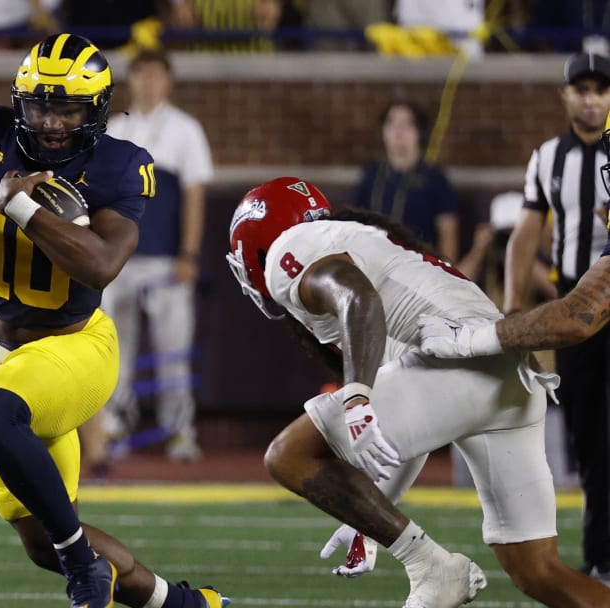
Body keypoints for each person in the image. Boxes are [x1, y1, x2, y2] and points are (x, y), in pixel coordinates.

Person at [0, 33, 228, 608]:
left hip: (75, 350)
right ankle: (185, 604)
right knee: (45, 539)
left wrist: (21, 208)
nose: (50, 122)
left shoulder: (122, 164)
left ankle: (84, 571)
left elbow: (100, 266)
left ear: (94, 110)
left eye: (67, 108)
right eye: (41, 106)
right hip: (3, 357)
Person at [227, 176, 610, 606]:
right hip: (508, 379)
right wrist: (370, 517)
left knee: (288, 455)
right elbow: (412, 416)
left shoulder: (289, 250)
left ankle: (434, 569)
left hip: (460, 363)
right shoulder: (366, 244)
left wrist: (356, 395)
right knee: (539, 571)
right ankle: (433, 571)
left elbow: (358, 298)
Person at [420, 53, 610, 585]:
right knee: (590, 441)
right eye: (582, 89)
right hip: (576, 302)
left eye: (601, 89)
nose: (591, 98)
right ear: (565, 96)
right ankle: (601, 560)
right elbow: (527, 230)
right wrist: (511, 313)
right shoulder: (549, 157)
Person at [90, 49, 214, 466]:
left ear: (168, 81)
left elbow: (195, 196)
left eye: (156, 75)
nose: (148, 83)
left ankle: (179, 429)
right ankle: (115, 421)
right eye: (140, 75)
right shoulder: (112, 128)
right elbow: (96, 194)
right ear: (131, 80)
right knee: (112, 348)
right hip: (117, 259)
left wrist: (189, 253)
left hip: (165, 259)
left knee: (172, 350)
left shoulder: (185, 130)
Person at [352, 101, 486, 277]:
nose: (398, 131)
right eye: (391, 123)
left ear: (419, 133)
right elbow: (353, 225)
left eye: (406, 124)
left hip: (419, 267)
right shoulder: (371, 176)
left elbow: (447, 232)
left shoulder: (435, 179)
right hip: (375, 265)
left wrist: (445, 271)